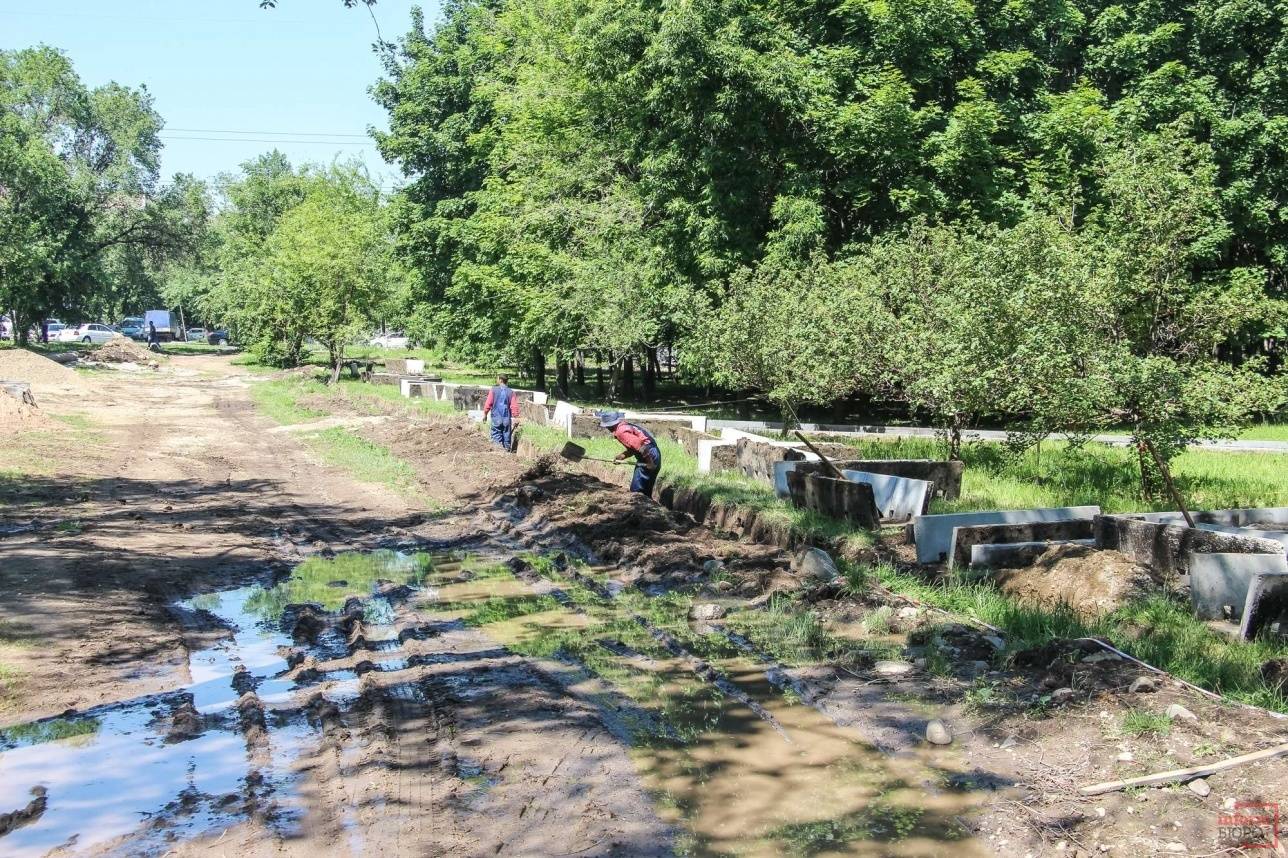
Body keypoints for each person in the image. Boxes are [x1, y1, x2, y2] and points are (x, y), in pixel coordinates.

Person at [599, 411, 662, 498]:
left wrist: (649, 462)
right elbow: (635, 447)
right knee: (646, 490)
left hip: (649, 454)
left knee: (636, 491)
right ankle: (646, 509)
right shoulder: (624, 426)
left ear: (609, 425)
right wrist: (622, 456)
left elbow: (640, 445)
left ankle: (638, 509)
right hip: (652, 452)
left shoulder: (621, 432)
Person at [482, 374, 519, 451]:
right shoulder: (511, 392)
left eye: (497, 379)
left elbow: (488, 404)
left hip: (496, 418)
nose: (497, 380)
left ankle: (497, 452)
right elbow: (514, 406)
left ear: (500, 380)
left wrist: (485, 414)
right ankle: (507, 451)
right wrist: (516, 417)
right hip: (506, 419)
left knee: (496, 436)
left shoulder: (493, 390)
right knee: (507, 435)